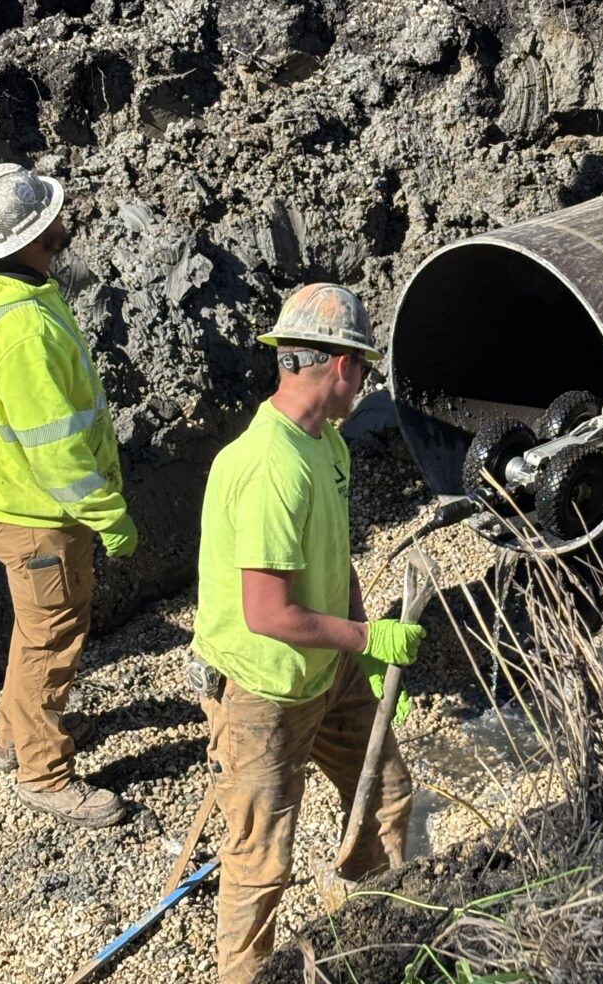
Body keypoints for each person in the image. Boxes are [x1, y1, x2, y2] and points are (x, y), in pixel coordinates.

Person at [191, 283, 425, 982]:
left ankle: (382, 927)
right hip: (262, 690)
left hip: (325, 666)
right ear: (343, 366)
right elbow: (267, 614)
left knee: (386, 793)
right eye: (364, 369)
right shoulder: (272, 467)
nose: (364, 384)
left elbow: (333, 551)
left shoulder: (326, 444)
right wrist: (366, 641)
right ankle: (244, 975)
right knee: (261, 859)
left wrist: (361, 633)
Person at [0, 163, 137, 828]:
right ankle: (43, 774)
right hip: (41, 515)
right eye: (52, 220)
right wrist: (108, 514)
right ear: (33, 239)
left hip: (6, 498)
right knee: (53, 637)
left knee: (34, 626)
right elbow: (57, 449)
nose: (64, 226)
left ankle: (14, 738)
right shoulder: (23, 329)